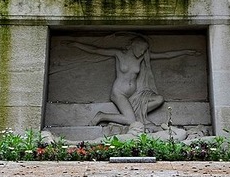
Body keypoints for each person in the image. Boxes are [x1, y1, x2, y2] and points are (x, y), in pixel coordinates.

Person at [68, 35, 199, 127]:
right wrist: (75, 43)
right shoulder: (119, 54)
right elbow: (96, 50)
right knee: (131, 120)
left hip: (136, 94)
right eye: (141, 49)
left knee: (159, 99)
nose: (143, 52)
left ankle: (136, 112)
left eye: (144, 50)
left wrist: (186, 51)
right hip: (119, 93)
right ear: (134, 46)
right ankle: (102, 116)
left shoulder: (141, 58)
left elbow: (165, 55)